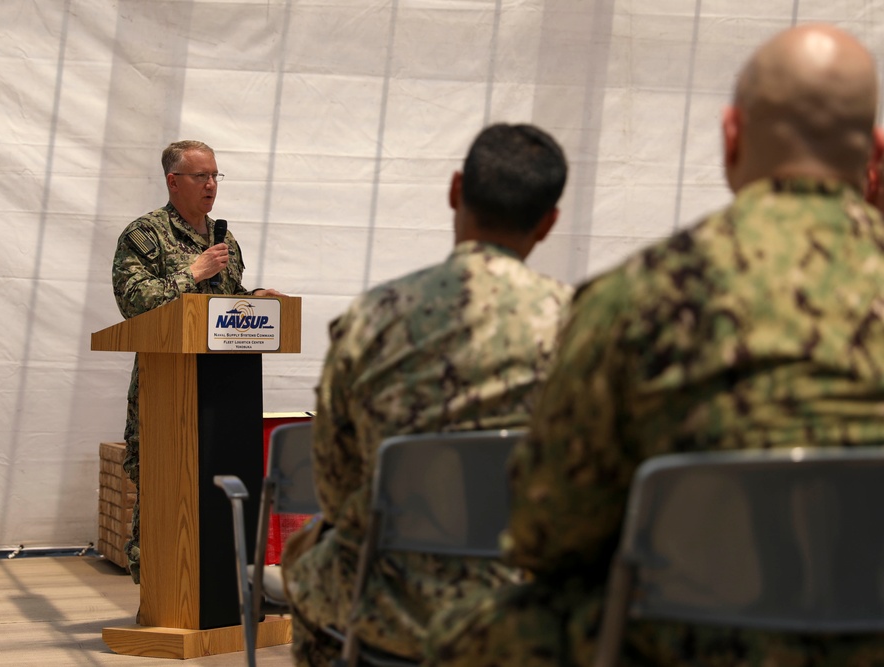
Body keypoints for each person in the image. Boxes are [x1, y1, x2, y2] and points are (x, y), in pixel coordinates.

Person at [425, 23, 884, 667]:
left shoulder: (636, 298)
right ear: (875, 150)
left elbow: (545, 532)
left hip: (690, 644)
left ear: (732, 137)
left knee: (464, 635)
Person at [282, 123, 574, 666]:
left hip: (386, 615)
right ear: (550, 222)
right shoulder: (579, 325)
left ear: (456, 190)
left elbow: (338, 488)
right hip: (525, 616)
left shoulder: (373, 319)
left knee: (312, 558)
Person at [112, 139, 284, 585]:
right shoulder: (144, 235)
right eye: (200, 177)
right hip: (167, 389)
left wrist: (255, 299)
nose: (211, 185)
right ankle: (159, 598)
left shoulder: (224, 241)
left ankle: (223, 595)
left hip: (226, 390)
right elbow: (135, 304)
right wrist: (192, 272)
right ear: (173, 181)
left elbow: (220, 309)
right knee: (163, 492)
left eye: (215, 176)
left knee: (220, 494)